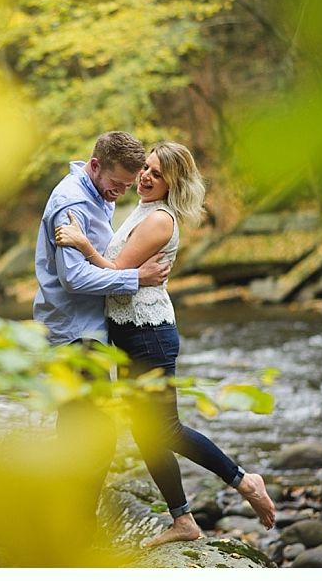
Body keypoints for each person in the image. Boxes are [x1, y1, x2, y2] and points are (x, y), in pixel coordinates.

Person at [54, 141, 275, 547]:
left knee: (165, 429)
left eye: (157, 174)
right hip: (128, 330)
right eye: (146, 169)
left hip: (147, 332)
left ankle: (244, 481)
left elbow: (117, 269)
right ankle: (184, 521)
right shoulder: (141, 209)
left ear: (172, 183)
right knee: (146, 433)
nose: (146, 177)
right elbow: (124, 269)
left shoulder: (159, 219)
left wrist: (82, 244)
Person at [33, 131, 172, 545]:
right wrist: (136, 277)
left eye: (128, 186)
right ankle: (74, 531)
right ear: (95, 165)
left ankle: (70, 526)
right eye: (118, 183)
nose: (121, 193)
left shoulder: (98, 193)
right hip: (73, 333)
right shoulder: (72, 202)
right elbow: (73, 277)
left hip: (86, 330)